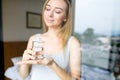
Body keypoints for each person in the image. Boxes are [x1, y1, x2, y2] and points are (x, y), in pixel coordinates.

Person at [18, 0, 81, 80]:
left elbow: (76, 79)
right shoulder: (34, 39)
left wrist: (52, 65)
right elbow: (23, 76)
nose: (50, 14)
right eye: (47, 9)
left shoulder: (73, 43)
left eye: (57, 11)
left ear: (66, 17)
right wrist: (24, 62)